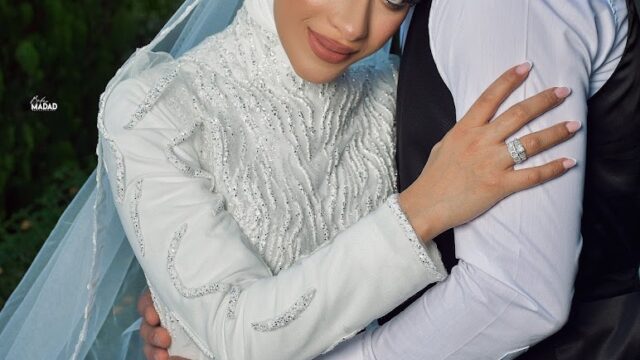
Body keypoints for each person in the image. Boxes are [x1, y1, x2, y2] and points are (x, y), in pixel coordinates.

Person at [0, 0, 579, 359]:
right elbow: (239, 339)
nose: (353, 24)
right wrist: (423, 208)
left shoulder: (399, 95)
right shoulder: (155, 109)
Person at [143, 0, 640, 359]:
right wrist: (194, 309)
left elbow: (515, 292)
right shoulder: (163, 104)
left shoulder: (502, 11)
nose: (351, 25)